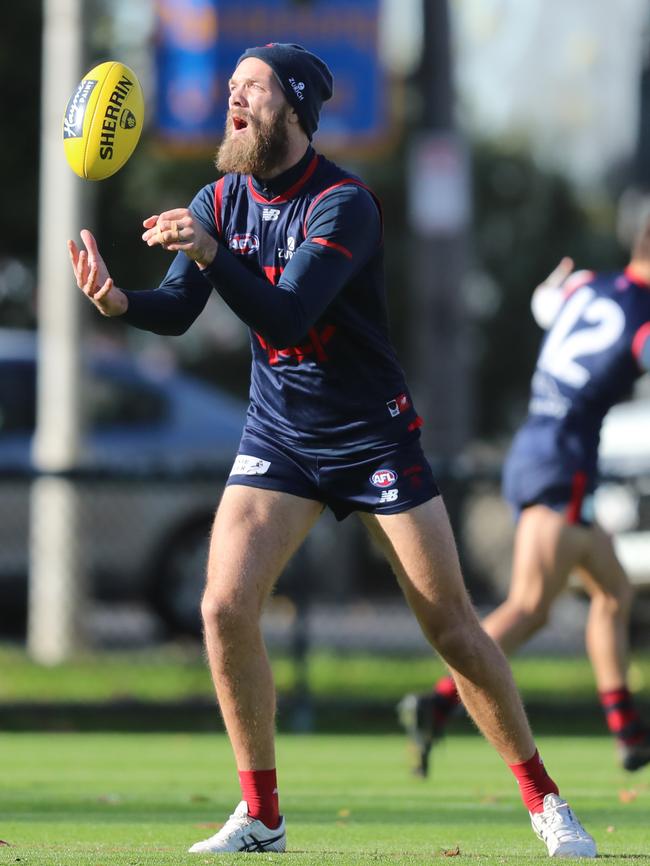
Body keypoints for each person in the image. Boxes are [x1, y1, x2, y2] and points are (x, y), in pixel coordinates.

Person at [68, 43, 595, 858]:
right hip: (280, 435)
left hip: (370, 434)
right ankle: (263, 816)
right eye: (232, 86)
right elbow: (177, 311)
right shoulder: (218, 199)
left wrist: (211, 254)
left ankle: (545, 801)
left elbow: (284, 314)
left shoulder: (344, 204)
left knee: (452, 628)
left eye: (254, 87)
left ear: (296, 109)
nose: (234, 97)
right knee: (222, 606)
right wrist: (119, 300)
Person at [399, 243, 650, 781]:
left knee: (613, 591)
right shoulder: (641, 313)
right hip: (566, 461)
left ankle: (629, 735)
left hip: (537, 451)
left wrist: (549, 293)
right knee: (531, 606)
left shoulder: (587, 285)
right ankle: (438, 701)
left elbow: (546, 303)